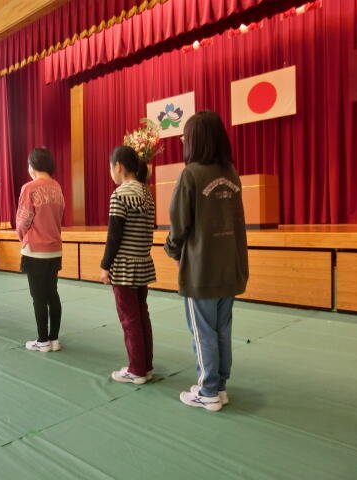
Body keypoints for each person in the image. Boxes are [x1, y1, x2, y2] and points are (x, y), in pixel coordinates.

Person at [164, 110, 249, 411]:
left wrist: (172, 251)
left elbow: (179, 224)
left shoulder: (191, 174)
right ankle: (220, 386)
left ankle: (208, 391)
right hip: (230, 266)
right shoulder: (231, 174)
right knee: (222, 330)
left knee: (202, 332)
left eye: (185, 136)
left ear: (195, 140)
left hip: (201, 269)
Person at [100, 145, 156, 385]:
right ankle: (146, 365)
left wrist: (105, 266)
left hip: (123, 267)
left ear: (118, 166)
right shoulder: (146, 193)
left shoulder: (119, 194)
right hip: (143, 263)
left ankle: (136, 370)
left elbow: (114, 236)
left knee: (129, 319)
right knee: (142, 315)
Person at [16, 148, 65, 353]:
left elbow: (23, 220)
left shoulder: (29, 188)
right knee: (52, 294)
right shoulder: (57, 187)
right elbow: (60, 214)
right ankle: (54, 339)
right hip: (54, 249)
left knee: (38, 297)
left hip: (35, 250)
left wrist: (22, 238)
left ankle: (42, 340)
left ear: (33, 165)